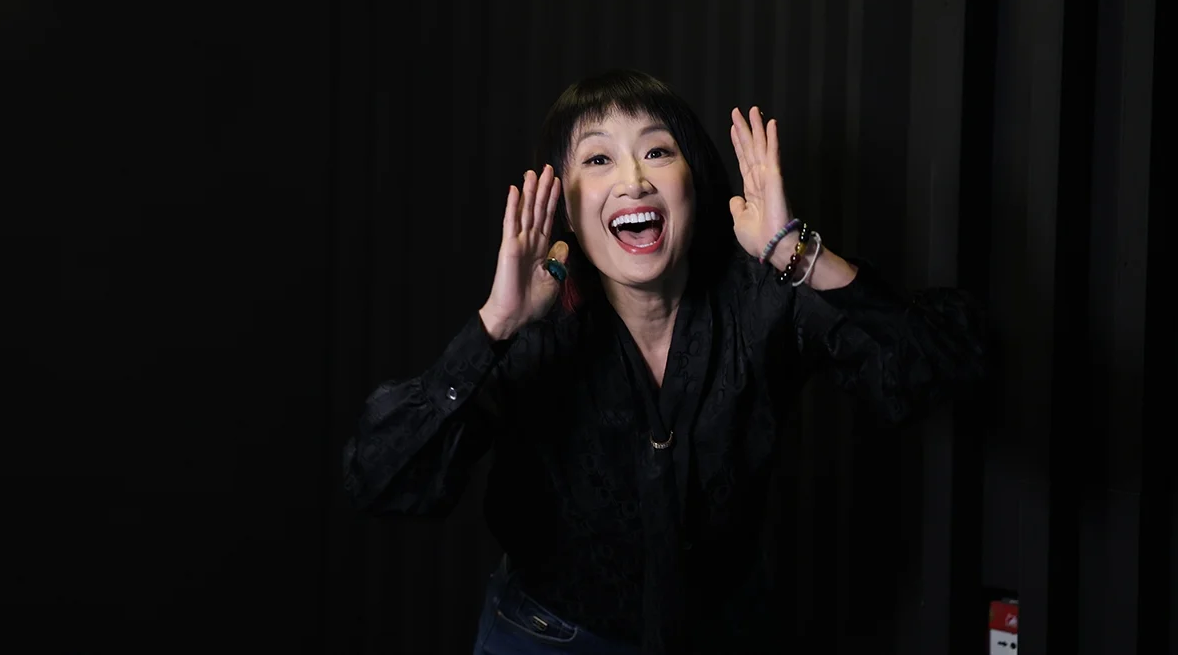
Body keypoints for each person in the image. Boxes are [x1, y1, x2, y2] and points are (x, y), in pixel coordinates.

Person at [343, 70, 987, 654]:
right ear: (567, 208)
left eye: (656, 151)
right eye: (598, 158)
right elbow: (380, 478)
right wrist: (494, 328)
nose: (634, 180)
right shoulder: (536, 329)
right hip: (547, 638)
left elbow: (946, 364)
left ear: (693, 184)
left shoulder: (765, 298)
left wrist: (800, 256)